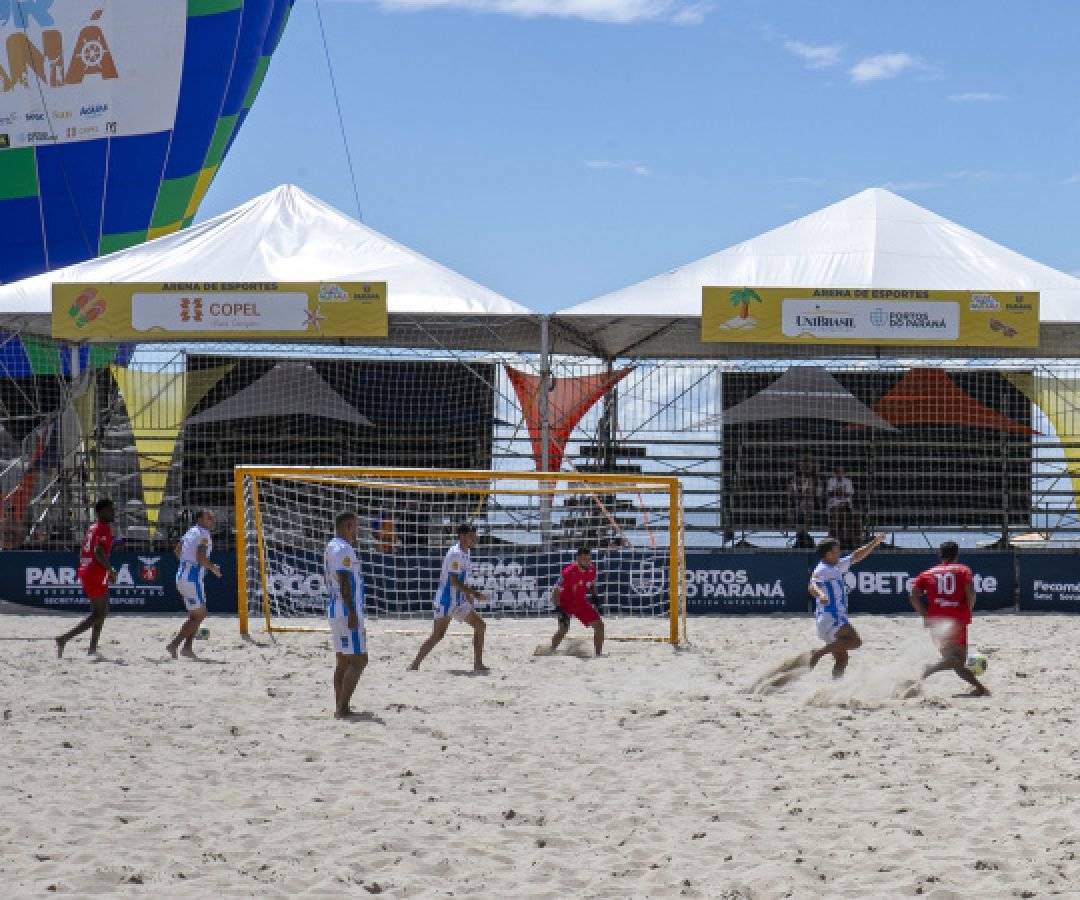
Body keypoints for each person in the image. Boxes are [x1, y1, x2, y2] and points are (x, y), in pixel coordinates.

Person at [909, 541, 989, 697]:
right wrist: (968, 609)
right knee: (957, 659)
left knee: (952, 660)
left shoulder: (928, 572)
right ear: (956, 555)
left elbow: (913, 596)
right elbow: (971, 593)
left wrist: (925, 616)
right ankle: (927, 670)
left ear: (941, 555)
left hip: (936, 622)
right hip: (956, 619)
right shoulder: (963, 570)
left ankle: (980, 689)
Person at [408, 523, 490, 672]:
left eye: (475, 535)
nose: (474, 538)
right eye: (471, 536)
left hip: (458, 601)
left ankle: (478, 664)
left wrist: (466, 595)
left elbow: (461, 578)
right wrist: (475, 594)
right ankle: (414, 664)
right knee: (438, 636)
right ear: (463, 536)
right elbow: (454, 580)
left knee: (481, 626)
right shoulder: (455, 553)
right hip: (446, 601)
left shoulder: (466, 552)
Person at [807, 533, 886, 678]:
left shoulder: (834, 566)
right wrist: (821, 595)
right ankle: (818, 653)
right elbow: (812, 586)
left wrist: (874, 543)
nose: (839, 553)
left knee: (842, 659)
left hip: (828, 619)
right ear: (828, 554)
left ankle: (835, 688)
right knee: (856, 641)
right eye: (836, 551)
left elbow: (855, 556)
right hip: (831, 617)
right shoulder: (822, 569)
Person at [55, 498, 117, 658]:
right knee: (98, 614)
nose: (113, 513)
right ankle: (64, 638)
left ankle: (92, 648)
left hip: (90, 570)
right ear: (101, 512)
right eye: (111, 510)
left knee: (102, 611)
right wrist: (110, 570)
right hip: (94, 572)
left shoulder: (93, 528)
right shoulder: (103, 528)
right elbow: (98, 551)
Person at [325, 512, 368, 717]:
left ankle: (340, 705)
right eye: (356, 526)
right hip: (345, 609)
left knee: (343, 661)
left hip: (336, 609)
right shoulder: (343, 549)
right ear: (349, 526)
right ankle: (342, 708)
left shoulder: (332, 546)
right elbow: (343, 580)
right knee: (359, 660)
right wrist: (352, 611)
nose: (357, 530)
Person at [166, 509, 222, 659]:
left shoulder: (191, 531)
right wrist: (213, 568)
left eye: (212, 517)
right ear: (199, 520)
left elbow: (177, 550)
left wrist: (187, 563)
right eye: (208, 517)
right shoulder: (203, 534)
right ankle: (174, 645)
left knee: (197, 615)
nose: (212, 519)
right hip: (191, 579)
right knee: (198, 615)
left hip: (183, 576)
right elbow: (201, 558)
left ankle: (187, 648)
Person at [546, 546, 605, 656]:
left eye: (589, 559)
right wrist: (560, 610)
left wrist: (595, 599)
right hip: (565, 604)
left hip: (580, 603)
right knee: (563, 629)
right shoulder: (567, 572)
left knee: (600, 626)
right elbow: (555, 591)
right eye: (584, 559)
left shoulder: (592, 569)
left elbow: (591, 584)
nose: (587, 562)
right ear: (578, 559)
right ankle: (550, 650)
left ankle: (598, 655)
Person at [825, 465, 856, 545]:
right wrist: (841, 493)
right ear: (835, 473)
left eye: (841, 472)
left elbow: (849, 494)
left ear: (844, 473)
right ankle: (837, 537)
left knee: (845, 514)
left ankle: (843, 538)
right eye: (838, 472)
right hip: (833, 505)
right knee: (838, 513)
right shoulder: (831, 481)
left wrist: (837, 493)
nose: (839, 473)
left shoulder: (848, 481)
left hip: (846, 506)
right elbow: (829, 493)